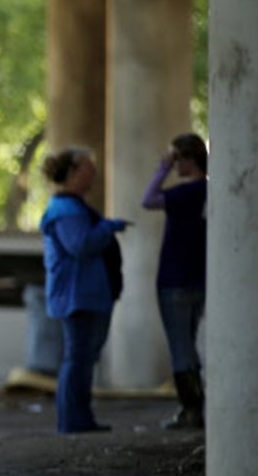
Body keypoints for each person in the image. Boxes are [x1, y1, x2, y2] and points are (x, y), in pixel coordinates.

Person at [38, 147, 129, 434]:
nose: (93, 175)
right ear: (74, 172)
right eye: (88, 169)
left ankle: (80, 419)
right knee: (78, 359)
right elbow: (80, 245)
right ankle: (73, 421)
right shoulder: (65, 210)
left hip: (87, 294)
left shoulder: (73, 207)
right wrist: (107, 228)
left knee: (82, 359)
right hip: (78, 296)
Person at [140, 133, 208, 430]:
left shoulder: (185, 194)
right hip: (198, 279)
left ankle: (191, 409)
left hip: (174, 279)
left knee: (181, 347)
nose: (171, 163)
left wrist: (161, 169)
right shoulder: (211, 191)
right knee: (189, 343)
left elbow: (148, 199)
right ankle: (193, 408)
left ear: (187, 159)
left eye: (175, 158)